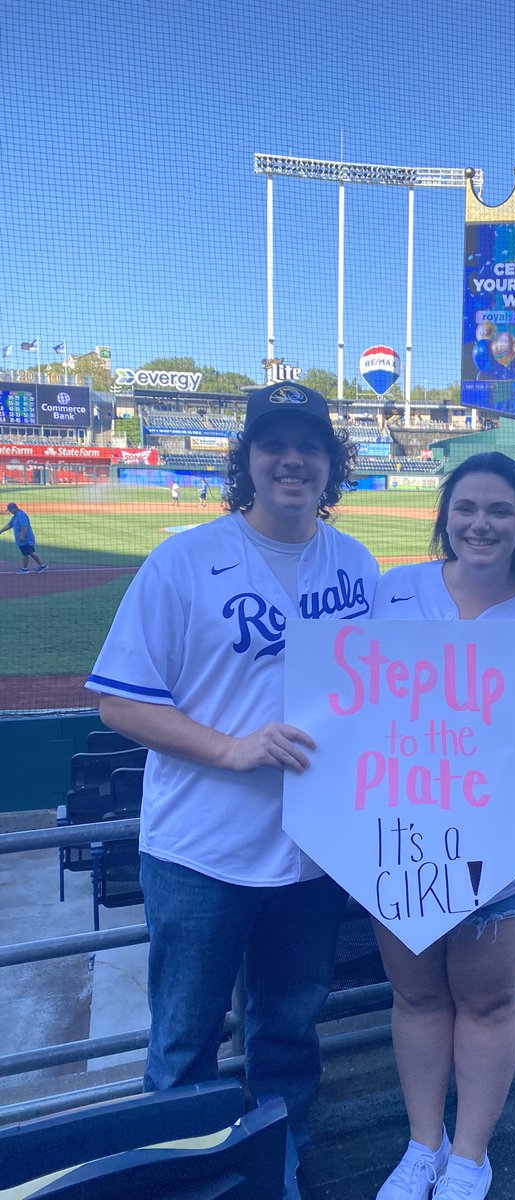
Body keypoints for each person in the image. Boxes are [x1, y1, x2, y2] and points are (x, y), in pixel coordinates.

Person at [84, 382, 379, 1158]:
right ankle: (181, 1176)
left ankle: (277, 1168)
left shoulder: (356, 563)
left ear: (331, 465)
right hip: (201, 853)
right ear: (246, 461)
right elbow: (118, 704)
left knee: (288, 1035)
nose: (293, 460)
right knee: (183, 1045)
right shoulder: (183, 560)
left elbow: (387, 693)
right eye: (274, 445)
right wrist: (231, 748)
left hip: (314, 854)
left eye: (310, 446)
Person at [370, 451, 515, 1200]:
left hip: (511, 848)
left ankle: (469, 1157)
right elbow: (354, 699)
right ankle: (422, 1147)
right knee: (416, 998)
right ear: (445, 516)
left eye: (499, 510)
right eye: (466, 507)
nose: (481, 523)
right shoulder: (393, 590)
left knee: (489, 1001)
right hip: (403, 838)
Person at [1, 503, 48, 574]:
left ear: (14, 508)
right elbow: (9, 525)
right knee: (26, 552)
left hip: (26, 538)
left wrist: (22, 535)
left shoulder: (21, 515)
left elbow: (24, 526)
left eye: (10, 510)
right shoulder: (15, 516)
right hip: (22, 539)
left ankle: (29, 568)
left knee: (30, 552)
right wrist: (1, 531)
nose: (10, 511)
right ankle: (33, 567)